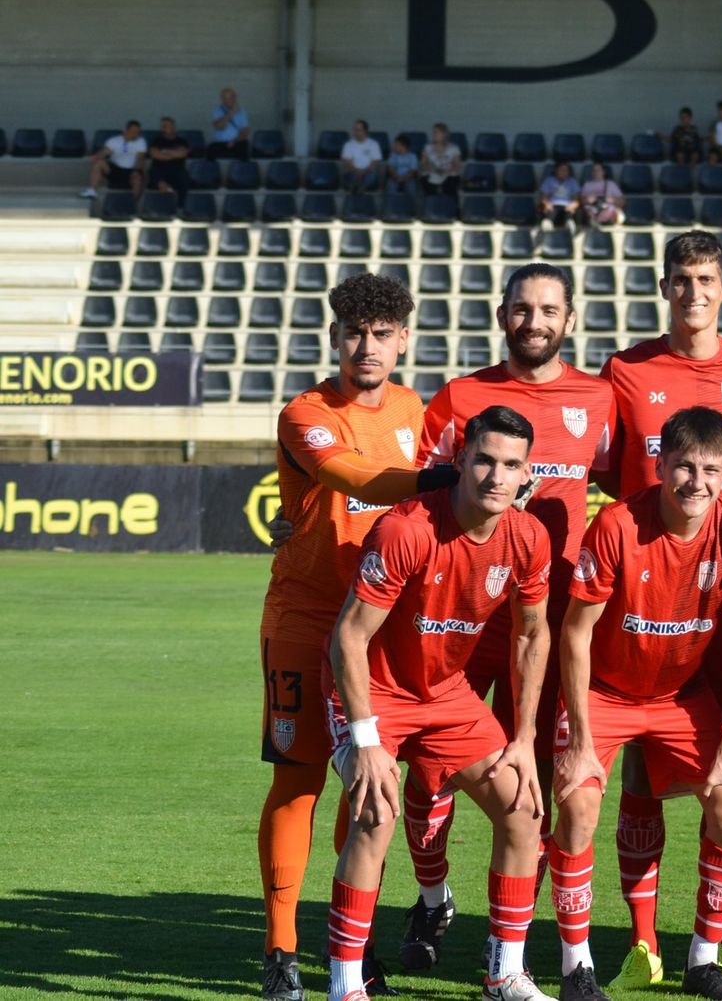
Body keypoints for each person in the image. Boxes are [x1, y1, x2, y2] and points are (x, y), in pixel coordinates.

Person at [397, 263, 616, 974]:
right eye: (522, 309)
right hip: (458, 621)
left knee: (544, 779)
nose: (535, 321)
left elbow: (635, 485)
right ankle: (432, 897)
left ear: (570, 321)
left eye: (549, 310)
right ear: (501, 316)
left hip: (548, 625)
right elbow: (418, 490)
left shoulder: (600, 398)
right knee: (430, 775)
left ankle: (521, 941)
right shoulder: (462, 396)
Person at [595, 229, 722, 992]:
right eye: (681, 278)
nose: (694, 291)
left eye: (707, 278)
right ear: (665, 286)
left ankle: (710, 946)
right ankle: (643, 944)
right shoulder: (626, 371)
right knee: (641, 771)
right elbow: (608, 471)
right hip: (651, 593)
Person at [257, 273, 457, 1001]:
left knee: (364, 785)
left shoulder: (415, 408)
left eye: (380, 334)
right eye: (352, 333)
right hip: (305, 619)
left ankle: (350, 939)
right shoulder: (305, 411)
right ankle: (281, 952)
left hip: (378, 627)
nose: (365, 347)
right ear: (334, 337)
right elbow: (357, 478)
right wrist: (448, 478)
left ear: (403, 340)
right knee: (299, 778)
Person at [321, 404, 555, 1001]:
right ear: (460, 459)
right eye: (484, 460)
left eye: (511, 465)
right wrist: (367, 742)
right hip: (371, 693)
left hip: (447, 696)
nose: (496, 477)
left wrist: (525, 739)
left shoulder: (527, 536)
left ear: (527, 473)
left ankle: (505, 974)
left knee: (524, 811)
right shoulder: (407, 530)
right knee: (376, 813)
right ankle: (346, 987)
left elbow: (531, 635)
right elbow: (349, 636)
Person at [548, 407, 722, 1001]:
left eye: (710, 469)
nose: (695, 481)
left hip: (681, 696)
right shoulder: (618, 524)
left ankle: (704, 959)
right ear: (661, 464)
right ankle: (577, 968)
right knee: (577, 804)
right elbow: (575, 633)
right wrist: (581, 745)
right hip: (604, 693)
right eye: (684, 466)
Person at [81, 119, 146, 199]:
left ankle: (133, 202)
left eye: (137, 132)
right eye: (133, 132)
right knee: (99, 163)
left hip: (131, 170)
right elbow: (104, 152)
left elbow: (140, 158)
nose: (136, 134)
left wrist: (136, 170)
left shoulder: (141, 141)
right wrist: (96, 157)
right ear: (126, 130)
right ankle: (92, 191)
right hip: (115, 169)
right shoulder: (114, 141)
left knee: (137, 176)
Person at [145, 117, 190, 202]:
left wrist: (164, 151)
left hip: (177, 170)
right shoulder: (157, 141)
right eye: (162, 126)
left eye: (165, 126)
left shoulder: (182, 141)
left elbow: (182, 154)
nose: (163, 129)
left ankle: (180, 207)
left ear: (173, 127)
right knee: (155, 175)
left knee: (184, 179)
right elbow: (154, 154)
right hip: (159, 169)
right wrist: (173, 154)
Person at [341, 120, 384, 194]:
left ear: (365, 131)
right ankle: (360, 188)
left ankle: (358, 188)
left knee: (373, 175)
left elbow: (375, 162)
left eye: (358, 130)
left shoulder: (374, 144)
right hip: (353, 172)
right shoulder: (348, 145)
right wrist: (357, 171)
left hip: (368, 172)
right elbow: (348, 162)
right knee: (350, 175)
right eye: (354, 129)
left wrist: (364, 172)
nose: (355, 132)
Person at [208, 86, 251, 159]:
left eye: (229, 98)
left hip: (237, 141)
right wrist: (231, 113)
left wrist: (234, 141)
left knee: (244, 149)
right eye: (224, 98)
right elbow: (219, 126)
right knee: (210, 150)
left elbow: (245, 132)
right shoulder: (217, 111)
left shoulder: (242, 112)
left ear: (234, 98)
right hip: (220, 143)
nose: (226, 101)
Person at [422, 123, 463, 196]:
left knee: (452, 179)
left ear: (444, 134)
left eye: (436, 132)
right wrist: (432, 169)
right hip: (432, 173)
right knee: (426, 177)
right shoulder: (427, 148)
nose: (434, 135)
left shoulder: (454, 148)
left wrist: (446, 171)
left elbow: (457, 166)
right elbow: (424, 164)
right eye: (433, 132)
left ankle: (452, 204)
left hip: (448, 174)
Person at [539, 162, 582, 228]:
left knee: (569, 212)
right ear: (556, 170)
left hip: (568, 205)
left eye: (566, 170)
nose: (564, 172)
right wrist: (547, 203)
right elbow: (544, 196)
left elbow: (576, 198)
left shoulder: (573, 181)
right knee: (551, 212)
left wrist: (574, 204)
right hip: (553, 205)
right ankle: (548, 223)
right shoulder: (549, 180)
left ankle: (569, 224)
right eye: (562, 170)